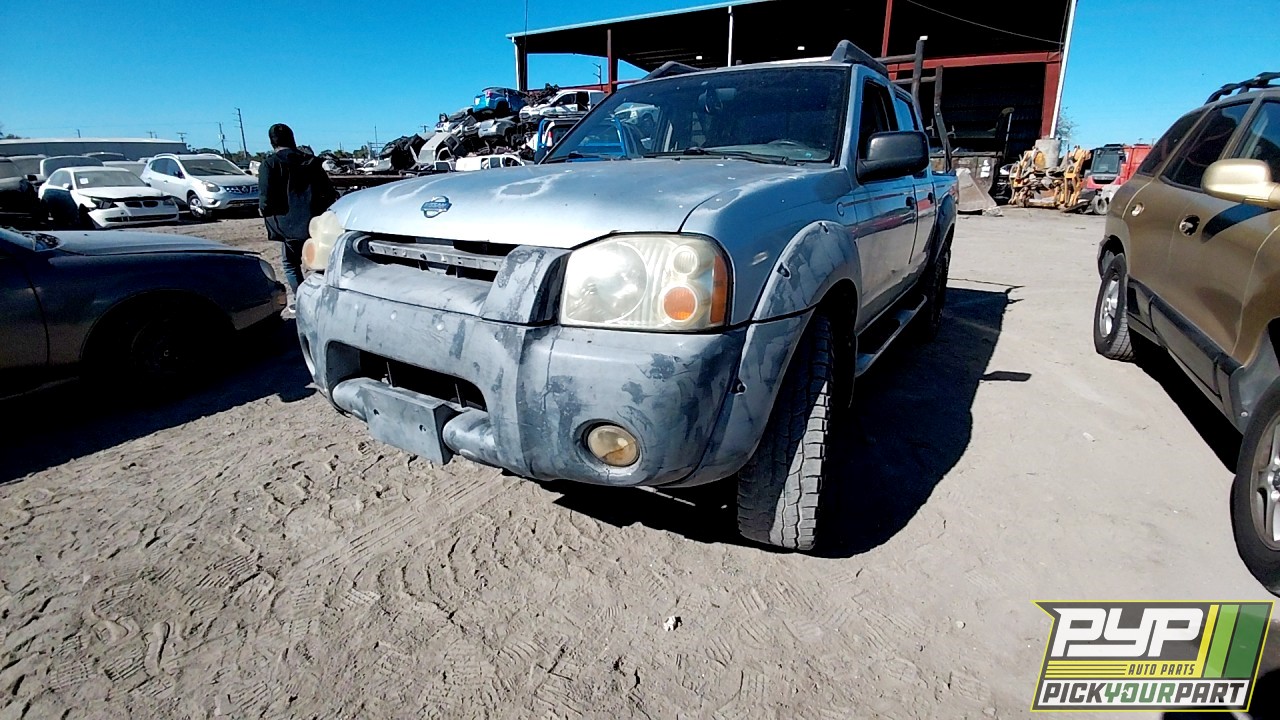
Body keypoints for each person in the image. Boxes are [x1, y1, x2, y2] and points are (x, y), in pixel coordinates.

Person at [258, 123, 338, 311]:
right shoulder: (312, 162)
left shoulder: (270, 164)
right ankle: (328, 299)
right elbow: (328, 191)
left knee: (290, 264)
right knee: (321, 261)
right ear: (293, 139)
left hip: (289, 226)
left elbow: (265, 200)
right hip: (317, 224)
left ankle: (304, 301)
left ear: (272, 142)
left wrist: (265, 213)